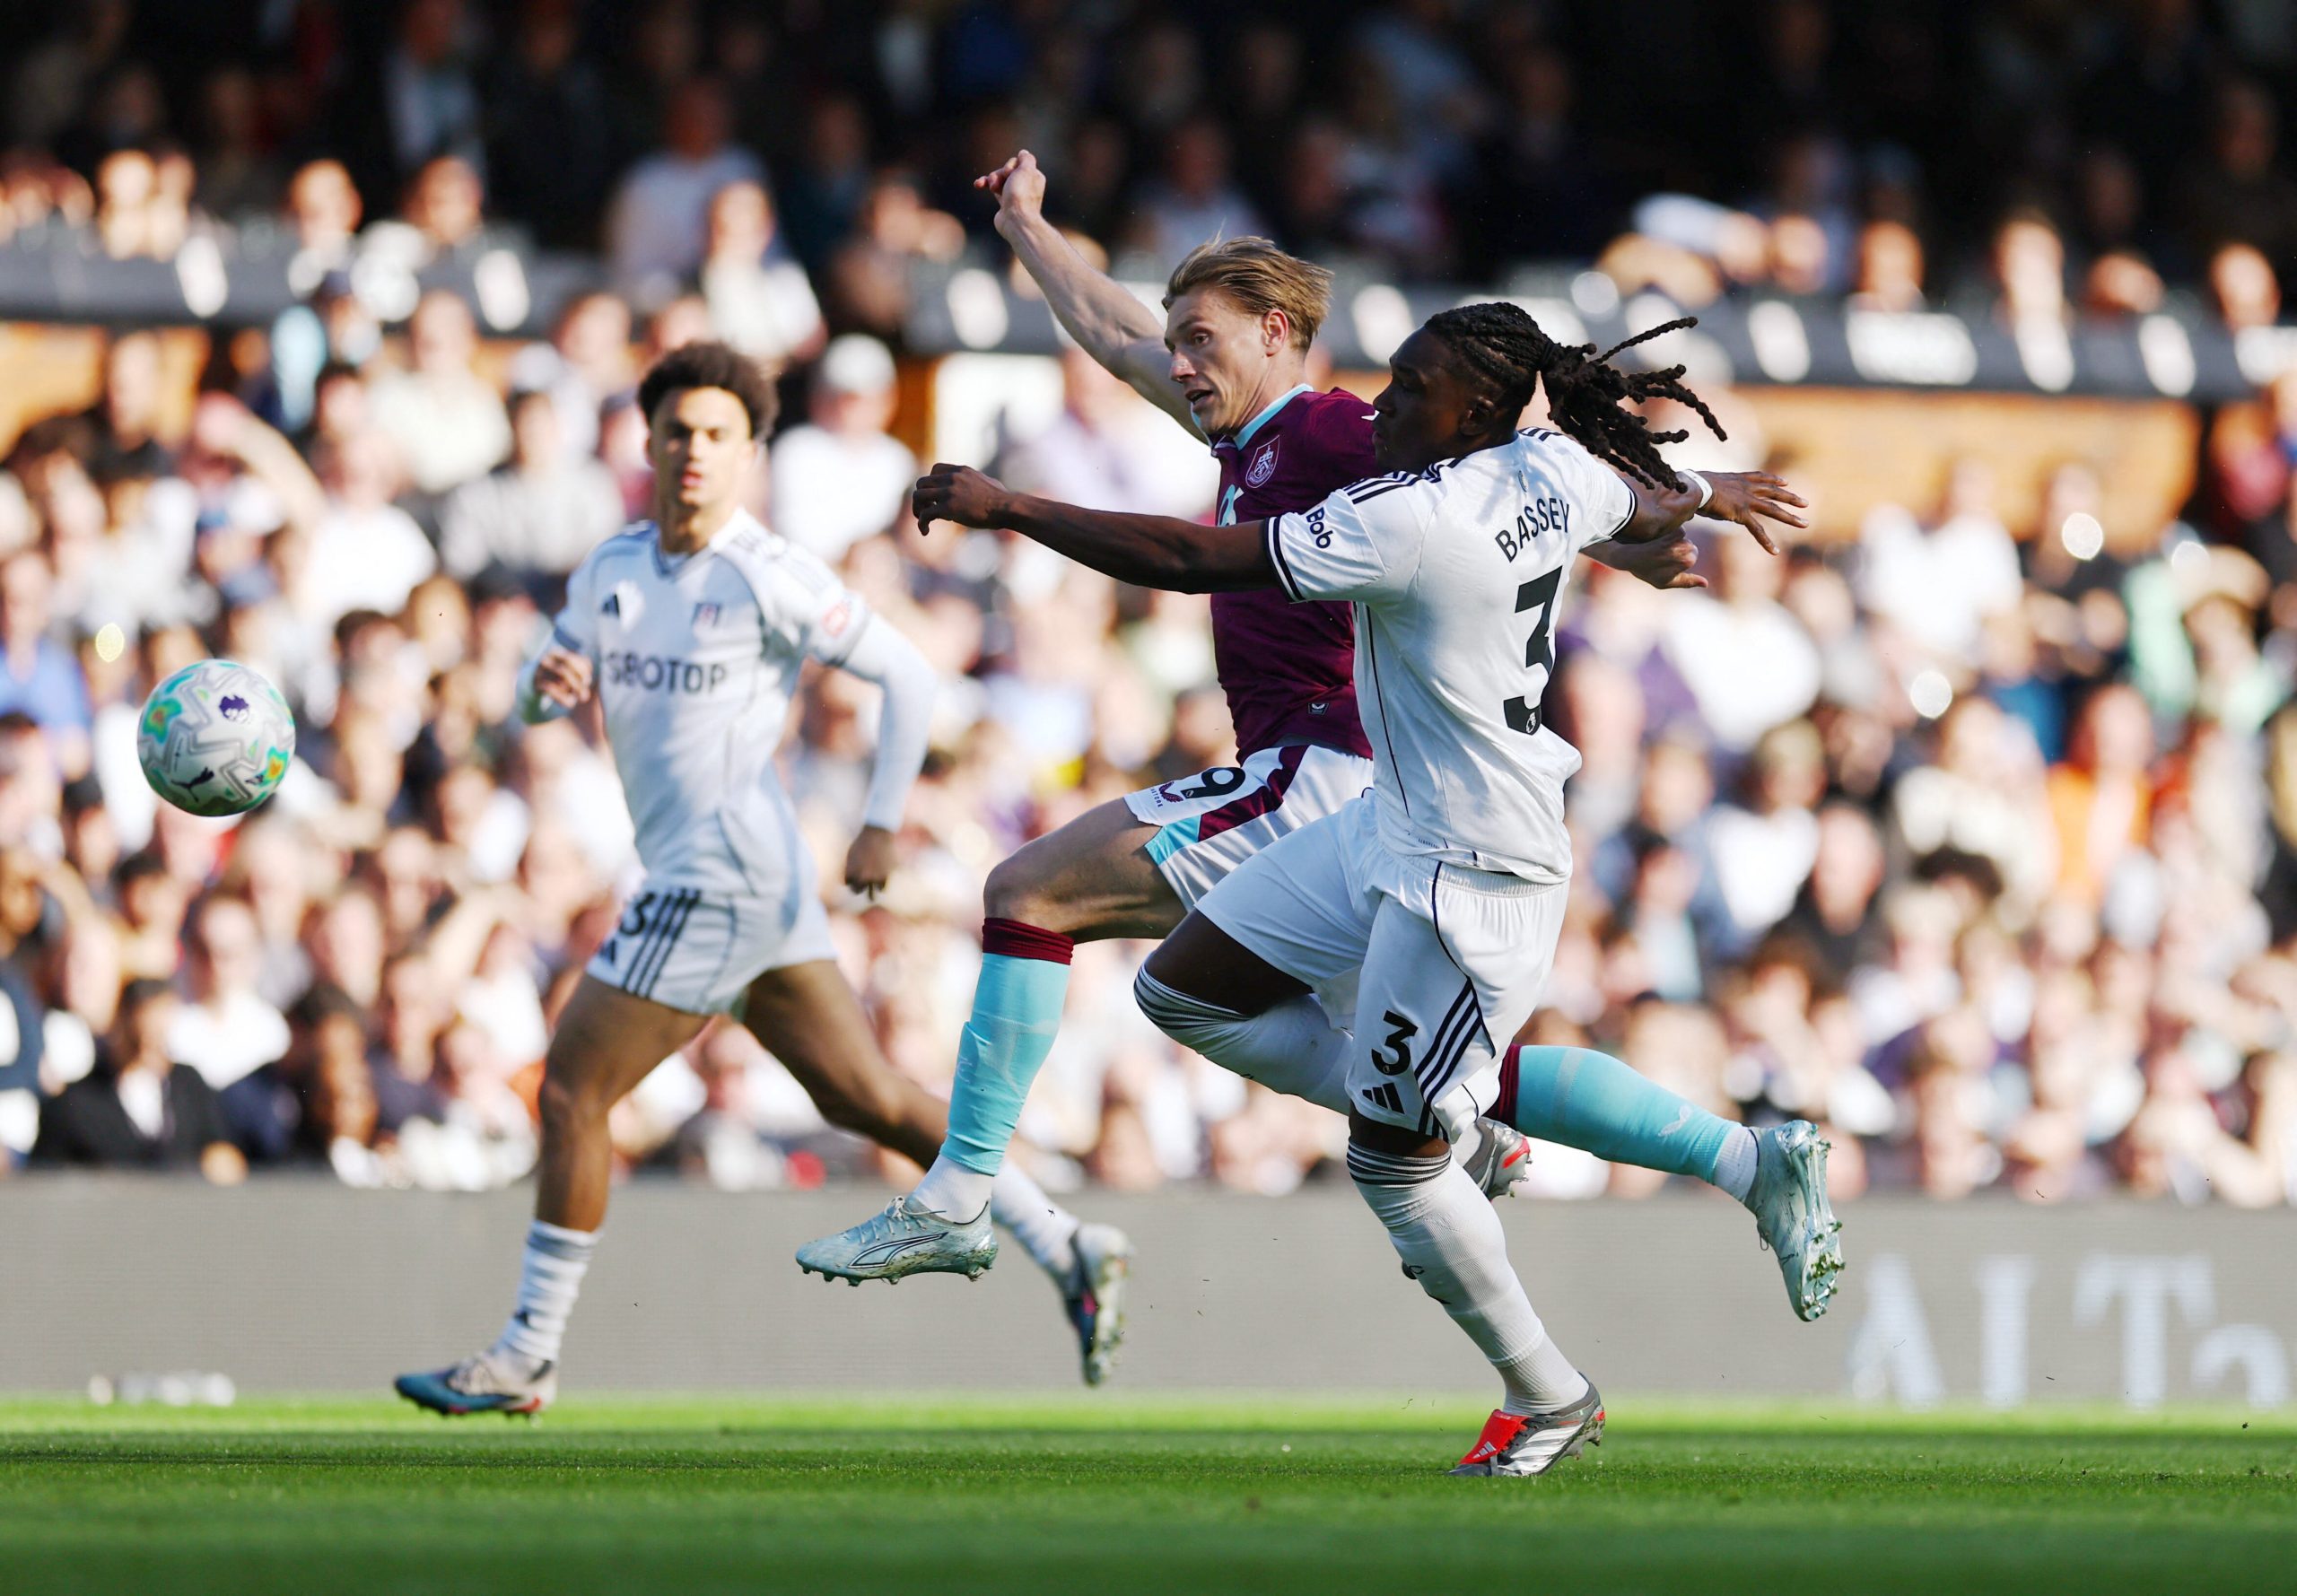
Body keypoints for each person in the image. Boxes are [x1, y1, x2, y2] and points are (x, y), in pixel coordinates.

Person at [801, 153, 1842, 1322]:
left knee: (1034, 891)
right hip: (1374, 797)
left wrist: (1652, 510)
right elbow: (1108, 331)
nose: (1181, 363)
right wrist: (1029, 228)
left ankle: (960, 1191)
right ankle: (1750, 1161)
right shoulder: (1253, 439)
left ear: (1277, 329)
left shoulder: (1339, 430)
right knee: (1461, 1073)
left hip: (1321, 770)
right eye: (1178, 342)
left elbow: (1496, 478)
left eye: (1202, 339)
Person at [394, 343, 1128, 1417]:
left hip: (722, 874)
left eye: (718, 434)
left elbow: (910, 677)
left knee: (570, 1090)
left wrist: (880, 822)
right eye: (677, 431)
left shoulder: (766, 572)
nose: (694, 450)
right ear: (646, 444)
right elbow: (536, 698)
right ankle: (1069, 1244)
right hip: (751, 887)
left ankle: (526, 1354)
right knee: (863, 1096)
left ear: (749, 453)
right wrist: (543, 690)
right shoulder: (610, 571)